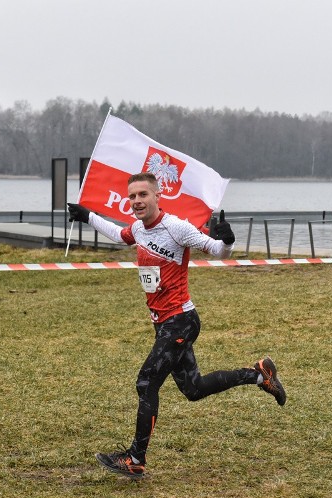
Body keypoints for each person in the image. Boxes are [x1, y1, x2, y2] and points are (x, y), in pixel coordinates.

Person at [67, 172, 286, 480]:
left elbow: (218, 251)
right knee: (194, 389)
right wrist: (87, 215)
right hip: (165, 325)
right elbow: (118, 235)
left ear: (158, 196)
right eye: (132, 196)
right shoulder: (140, 230)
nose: (137, 201)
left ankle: (135, 459)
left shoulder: (176, 227)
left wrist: (227, 240)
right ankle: (258, 374)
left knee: (146, 383)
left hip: (180, 321)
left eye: (143, 195)